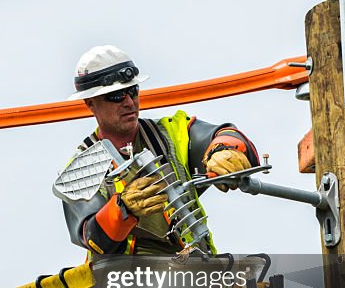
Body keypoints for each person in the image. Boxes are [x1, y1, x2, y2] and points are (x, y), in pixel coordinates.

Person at [60, 45, 259, 256]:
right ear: (91, 103)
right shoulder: (81, 169)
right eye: (117, 96)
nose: (129, 102)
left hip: (195, 270)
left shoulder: (169, 133)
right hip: (128, 283)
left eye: (132, 91)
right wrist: (123, 209)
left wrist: (225, 150)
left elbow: (224, 134)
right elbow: (92, 238)